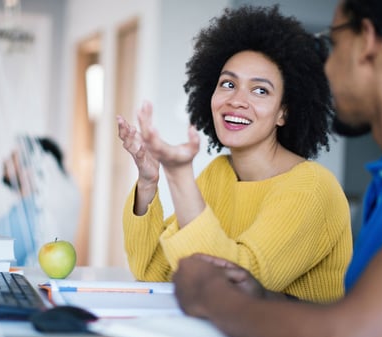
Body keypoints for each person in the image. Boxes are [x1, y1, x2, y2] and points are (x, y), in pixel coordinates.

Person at [173, 0, 382, 337]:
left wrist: (210, 295)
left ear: (366, 41)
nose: (328, 69)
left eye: (333, 44)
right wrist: (263, 296)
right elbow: (357, 313)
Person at [117, 5, 352, 303]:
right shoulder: (219, 173)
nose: (237, 100)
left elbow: (238, 285)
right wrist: (149, 184)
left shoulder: (312, 189)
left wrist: (180, 176)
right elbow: (153, 271)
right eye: (228, 84)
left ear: (284, 112)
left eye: (260, 91)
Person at [0, 136, 81, 266]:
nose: (5, 161)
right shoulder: (30, 212)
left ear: (30, 171)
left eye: (13, 157)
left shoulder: (25, 218)